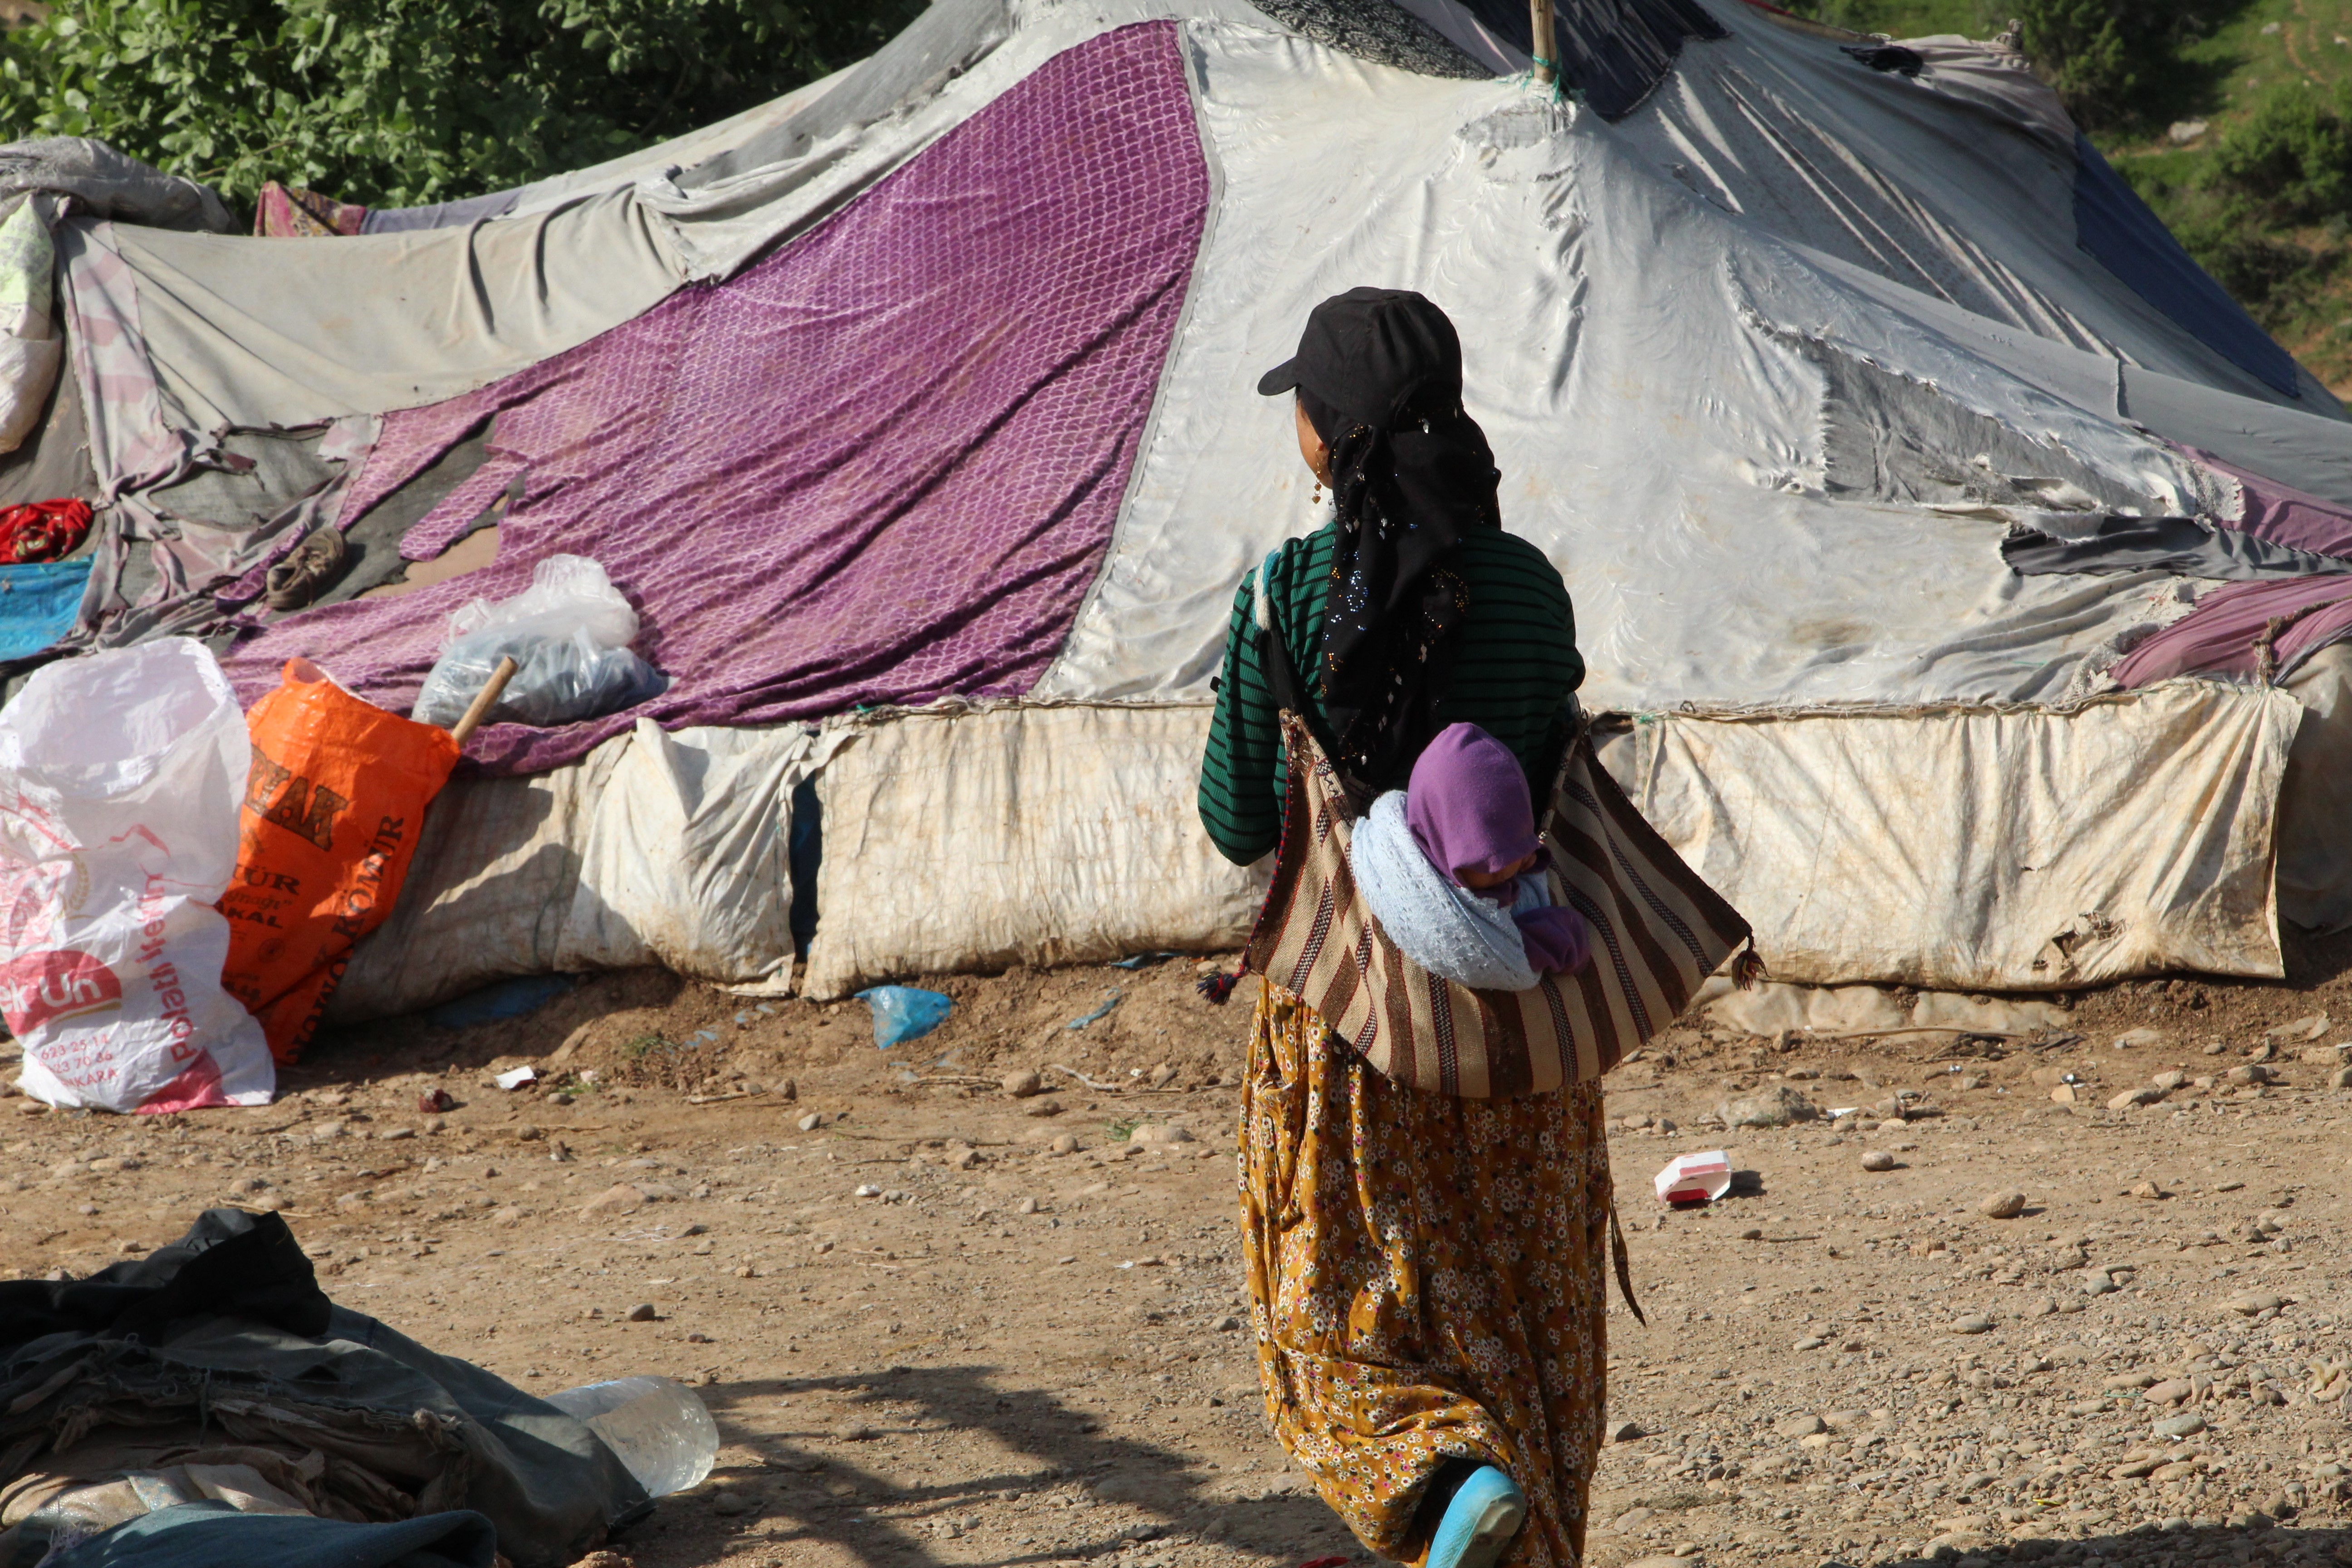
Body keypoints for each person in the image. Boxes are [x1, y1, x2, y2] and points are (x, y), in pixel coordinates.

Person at [1197, 287, 1604, 1568]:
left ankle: (1441, 1472)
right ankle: (1506, 1509)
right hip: (1514, 1019)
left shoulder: (1284, 597)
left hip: (1350, 1021)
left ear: (1325, 435)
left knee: (1341, 1305)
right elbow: (1537, 771)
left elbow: (1236, 821)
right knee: (1516, 1292)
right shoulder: (1531, 592)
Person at [1348, 719, 1592, 992]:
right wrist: (1567, 938)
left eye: (1515, 850)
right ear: (1452, 850)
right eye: (1491, 862)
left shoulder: (1432, 835)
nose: (1506, 870)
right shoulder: (1435, 911)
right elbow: (1517, 954)